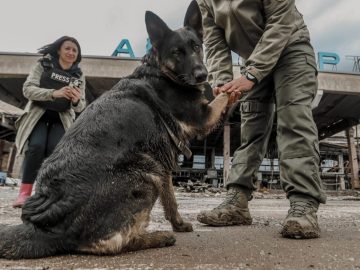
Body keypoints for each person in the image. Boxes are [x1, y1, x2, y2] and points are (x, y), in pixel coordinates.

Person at [196, 0, 326, 238]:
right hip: (254, 59)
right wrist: (223, 82)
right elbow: (213, 41)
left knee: (293, 120)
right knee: (251, 127)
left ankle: (303, 204)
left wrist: (252, 74)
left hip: (291, 49)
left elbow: (280, 22)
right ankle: (237, 202)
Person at [12, 36, 86, 208]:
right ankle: (24, 193)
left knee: (55, 152)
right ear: (59, 50)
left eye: (75, 50)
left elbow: (80, 105)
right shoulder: (43, 65)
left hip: (61, 119)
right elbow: (27, 89)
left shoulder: (78, 75)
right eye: (67, 48)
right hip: (38, 116)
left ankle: (46, 194)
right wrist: (54, 93)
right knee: (36, 147)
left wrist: (76, 100)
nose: (71, 52)